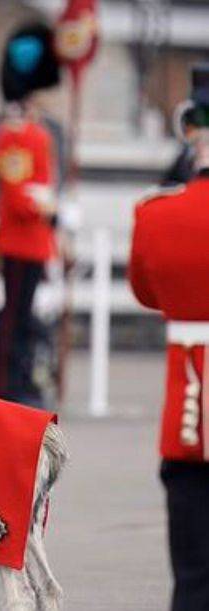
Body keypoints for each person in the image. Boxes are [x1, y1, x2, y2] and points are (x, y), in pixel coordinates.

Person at [128, 64, 209, 611]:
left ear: (191, 129)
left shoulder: (156, 215)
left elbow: (147, 294)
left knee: (194, 577)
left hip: (190, 413)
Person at [0, 23, 62, 405]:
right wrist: (44, 205)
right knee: (13, 319)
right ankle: (7, 386)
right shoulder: (14, 135)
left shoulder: (34, 133)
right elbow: (17, 195)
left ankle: (21, 381)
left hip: (35, 242)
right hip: (19, 240)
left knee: (25, 319)